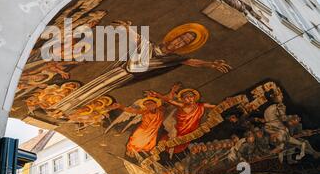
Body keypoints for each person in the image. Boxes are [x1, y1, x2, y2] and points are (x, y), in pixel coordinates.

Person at [50, 23, 231, 114]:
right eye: (181, 38)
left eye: (185, 42)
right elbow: (138, 39)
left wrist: (210, 64)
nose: (180, 42)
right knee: (94, 86)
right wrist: (127, 28)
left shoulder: (173, 59)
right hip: (123, 69)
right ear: (174, 36)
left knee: (97, 91)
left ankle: (67, 107)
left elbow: (191, 62)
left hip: (128, 74)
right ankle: (63, 105)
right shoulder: (150, 46)